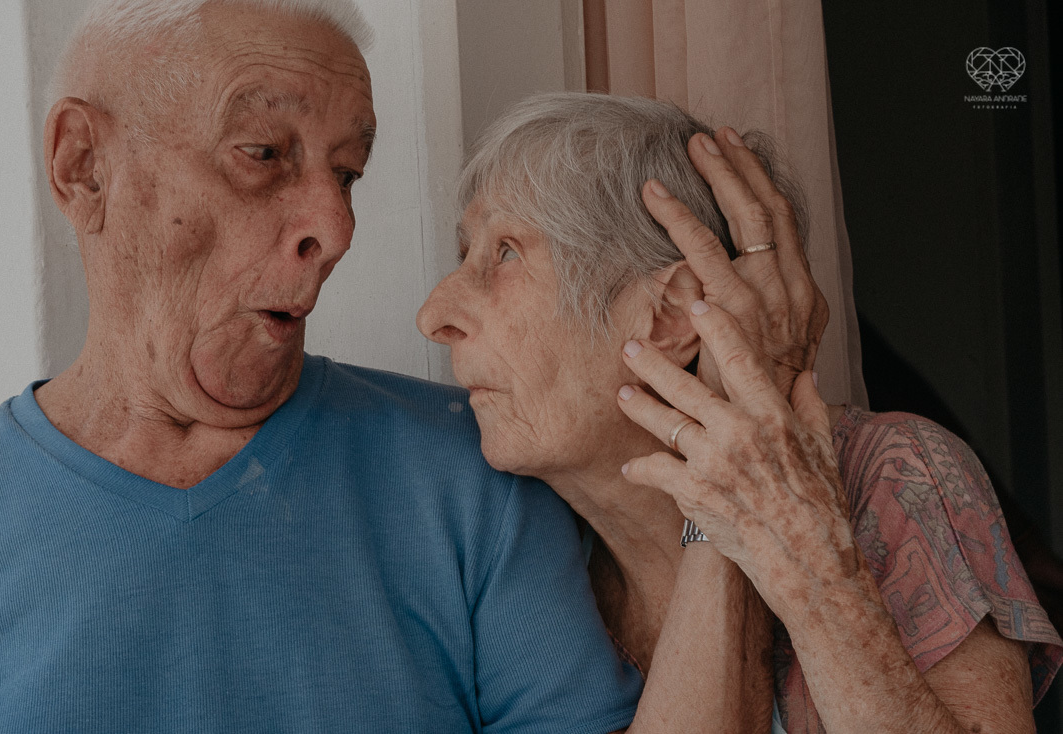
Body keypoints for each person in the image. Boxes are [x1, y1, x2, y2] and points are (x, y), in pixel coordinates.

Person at [0, 1, 819, 731]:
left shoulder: (471, 475)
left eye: (348, 173)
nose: (335, 229)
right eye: (264, 153)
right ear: (83, 166)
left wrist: (727, 459)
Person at [418, 92, 1063, 733]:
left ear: (671, 314)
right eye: (465, 253)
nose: (434, 316)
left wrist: (809, 559)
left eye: (505, 252)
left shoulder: (890, 477)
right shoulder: (523, 547)